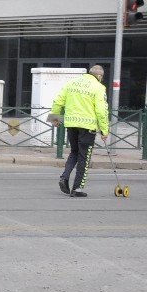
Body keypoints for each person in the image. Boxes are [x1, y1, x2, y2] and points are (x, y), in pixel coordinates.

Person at [50, 65, 109, 197]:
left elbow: (58, 100)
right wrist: (104, 130)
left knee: (74, 152)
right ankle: (77, 189)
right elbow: (101, 111)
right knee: (84, 157)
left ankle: (64, 177)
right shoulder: (99, 87)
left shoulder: (72, 83)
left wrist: (55, 118)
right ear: (99, 76)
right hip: (87, 126)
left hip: (71, 123)